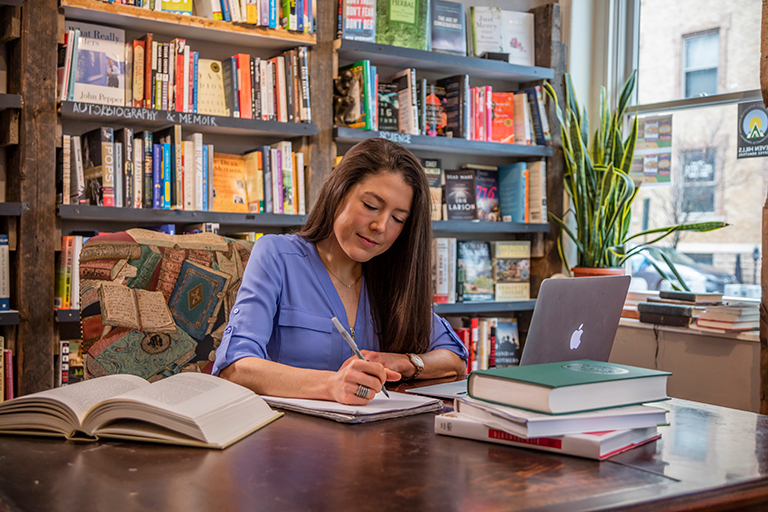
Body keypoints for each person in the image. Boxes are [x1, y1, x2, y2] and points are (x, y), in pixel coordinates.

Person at [213, 138, 467, 405]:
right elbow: (235, 369)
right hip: (286, 437)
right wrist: (331, 385)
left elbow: (455, 359)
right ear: (338, 191)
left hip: (374, 438)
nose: (380, 226)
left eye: (397, 219)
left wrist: (402, 362)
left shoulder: (392, 281)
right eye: (370, 206)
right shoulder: (276, 255)